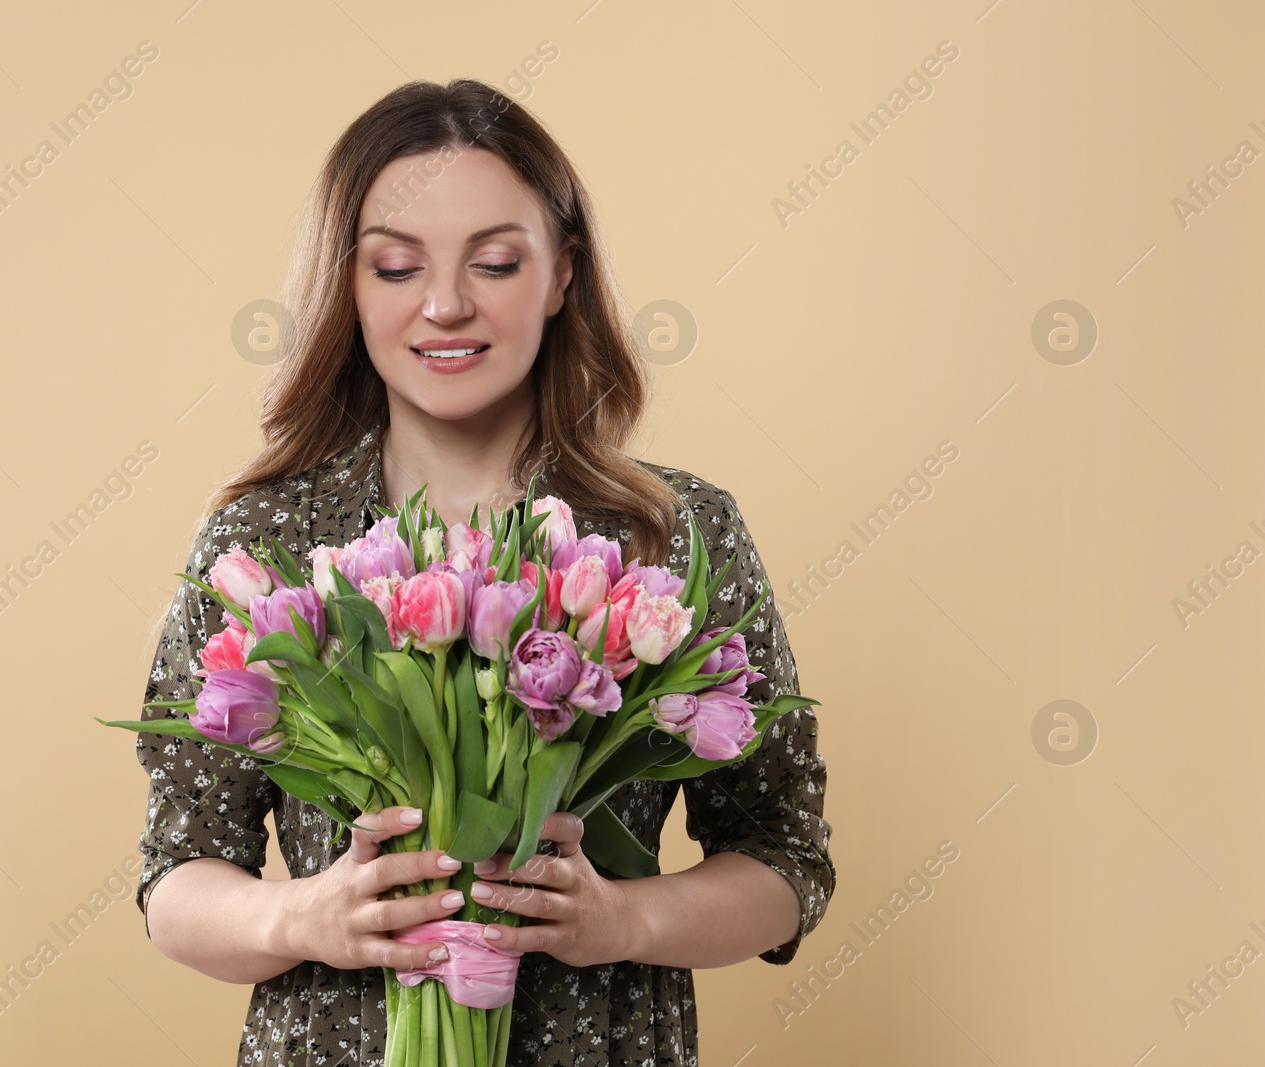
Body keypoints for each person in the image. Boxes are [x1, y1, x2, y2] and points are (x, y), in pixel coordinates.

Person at [132, 78, 835, 1066]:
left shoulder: (669, 533)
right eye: (394, 265)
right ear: (350, 284)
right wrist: (307, 916)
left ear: (561, 274)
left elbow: (785, 860)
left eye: (496, 261)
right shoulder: (268, 540)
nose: (446, 303)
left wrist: (623, 920)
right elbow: (175, 877)